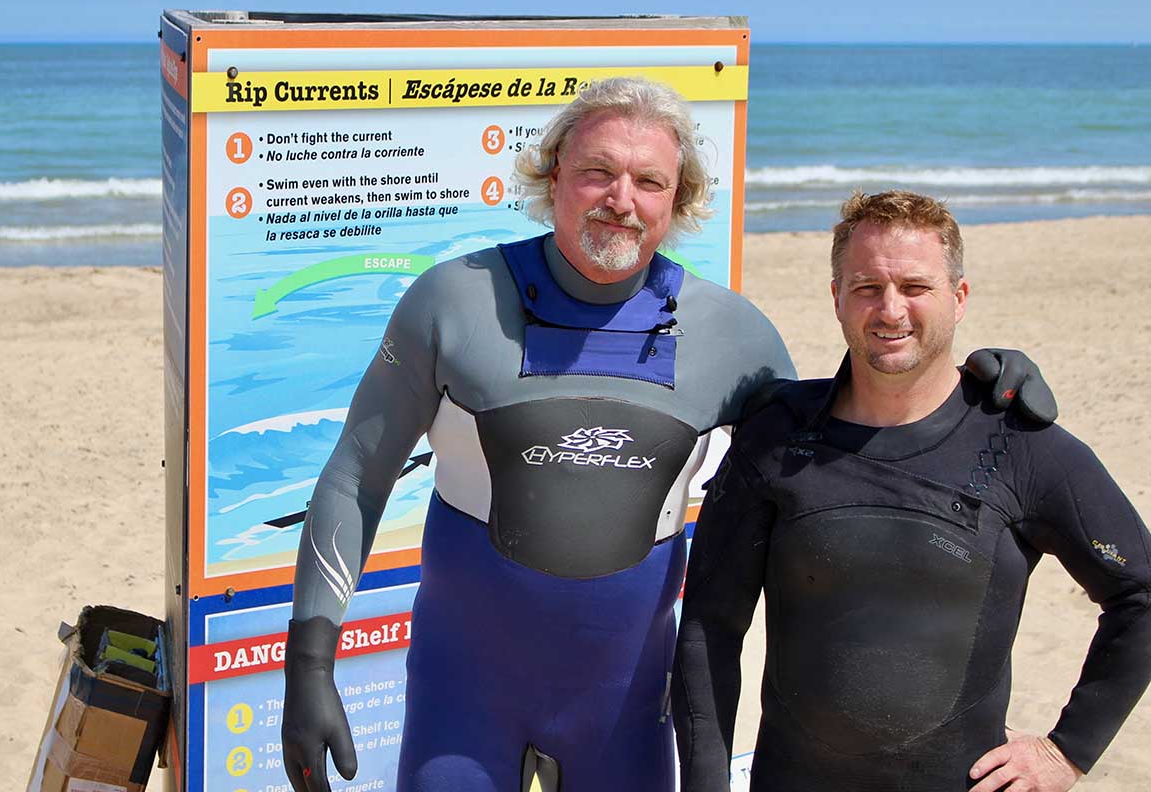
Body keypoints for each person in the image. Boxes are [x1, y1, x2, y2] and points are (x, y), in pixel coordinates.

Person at [282, 81, 1051, 792]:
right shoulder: (453, 302)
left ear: (675, 201)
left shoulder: (732, 336)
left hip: (624, 710)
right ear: (553, 177)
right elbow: (358, 475)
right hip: (463, 700)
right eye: (597, 173)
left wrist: (969, 385)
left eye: (649, 182)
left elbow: (840, 454)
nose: (621, 199)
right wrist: (309, 661)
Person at [672, 190, 1151, 792]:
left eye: (915, 287)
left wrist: (1066, 751)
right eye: (867, 286)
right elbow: (709, 627)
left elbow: (1141, 593)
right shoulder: (776, 439)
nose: (890, 309)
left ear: (959, 298)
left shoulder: (1022, 447)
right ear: (837, 298)